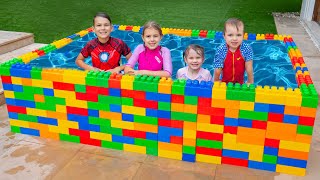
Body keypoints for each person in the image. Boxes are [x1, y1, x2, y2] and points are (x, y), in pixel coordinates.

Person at [213, 18, 254, 84]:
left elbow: (249, 67)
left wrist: (250, 82)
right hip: (224, 83)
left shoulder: (246, 49)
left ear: (243, 36)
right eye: (230, 35)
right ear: (224, 36)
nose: (234, 38)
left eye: (238, 35)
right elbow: (218, 68)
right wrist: (216, 81)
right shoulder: (221, 49)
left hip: (240, 83)